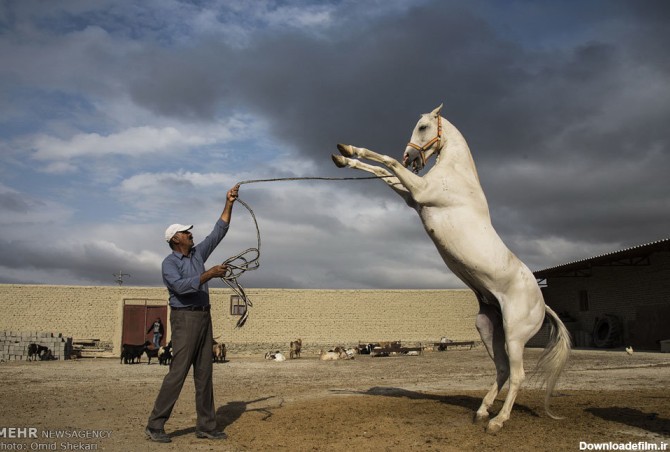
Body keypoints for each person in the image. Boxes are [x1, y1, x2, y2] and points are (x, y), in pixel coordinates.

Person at [145, 184, 240, 443]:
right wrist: (208, 274)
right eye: (186, 233)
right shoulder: (169, 263)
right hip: (184, 318)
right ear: (176, 239)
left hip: (203, 316)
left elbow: (218, 232)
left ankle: (206, 426)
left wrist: (229, 202)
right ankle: (155, 426)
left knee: (205, 372)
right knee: (178, 372)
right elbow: (180, 288)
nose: (190, 235)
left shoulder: (198, 254)